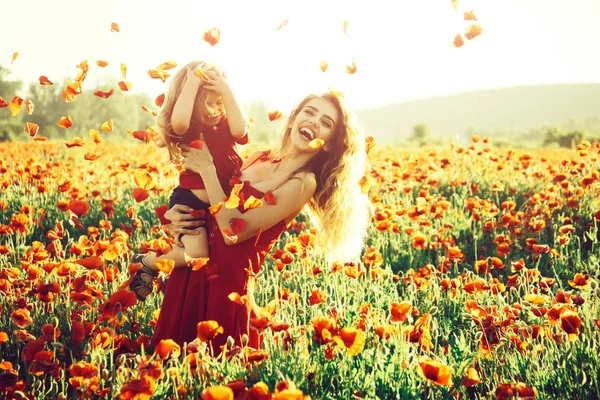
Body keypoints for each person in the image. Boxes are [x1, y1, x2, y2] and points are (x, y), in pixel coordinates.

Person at [151, 91, 371, 354]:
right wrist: (180, 217)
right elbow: (212, 202)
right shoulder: (257, 157)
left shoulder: (303, 182)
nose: (314, 122)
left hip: (226, 293)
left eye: (326, 123)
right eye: (309, 113)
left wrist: (208, 169)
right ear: (293, 120)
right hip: (192, 274)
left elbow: (233, 230)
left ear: (327, 144)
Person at [129, 60, 248, 301]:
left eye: (219, 103)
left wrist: (225, 89)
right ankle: (150, 262)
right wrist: (193, 81)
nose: (214, 111)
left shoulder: (227, 125)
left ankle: (160, 266)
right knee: (198, 253)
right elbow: (179, 121)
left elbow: (241, 129)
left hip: (220, 204)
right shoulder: (191, 126)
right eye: (207, 105)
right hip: (190, 204)